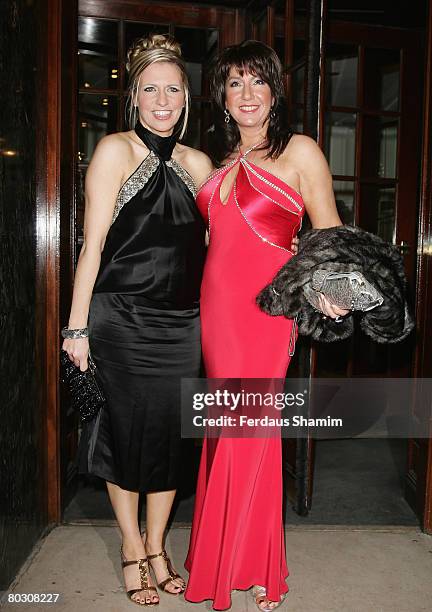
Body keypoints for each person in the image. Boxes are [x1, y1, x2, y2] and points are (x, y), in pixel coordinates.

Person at [184, 40, 347, 611]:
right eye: (235, 83)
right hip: (216, 310)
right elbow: (218, 243)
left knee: (251, 431)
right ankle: (229, 555)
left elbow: (328, 232)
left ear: (276, 91)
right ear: (222, 97)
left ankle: (255, 566)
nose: (247, 93)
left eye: (258, 81)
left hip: (265, 313)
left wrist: (328, 288)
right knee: (225, 430)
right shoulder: (221, 159)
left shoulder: (300, 151)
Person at [62, 34, 213, 606]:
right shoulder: (114, 151)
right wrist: (77, 328)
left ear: (187, 98)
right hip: (120, 321)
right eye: (151, 88)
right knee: (125, 439)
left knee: (172, 440)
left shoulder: (199, 164)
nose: (162, 99)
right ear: (134, 96)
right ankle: (132, 548)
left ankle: (158, 545)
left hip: (183, 325)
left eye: (173, 88)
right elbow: (93, 246)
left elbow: (223, 246)